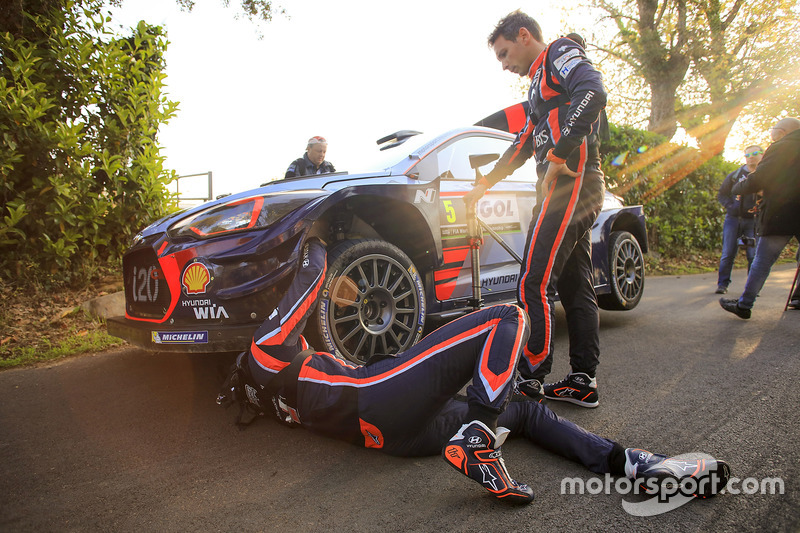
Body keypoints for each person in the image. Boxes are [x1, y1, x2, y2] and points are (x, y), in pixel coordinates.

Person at [218, 239, 730, 504]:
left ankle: (638, 468)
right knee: (507, 317)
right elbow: (308, 281)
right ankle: (480, 434)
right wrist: (315, 236)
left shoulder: (272, 394)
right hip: (373, 395)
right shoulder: (264, 352)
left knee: (525, 413)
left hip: (391, 438)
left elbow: (308, 323)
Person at [463, 11, 606, 407]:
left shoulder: (560, 52)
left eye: (505, 53)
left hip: (571, 181)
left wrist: (560, 154)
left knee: (533, 281)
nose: (505, 65)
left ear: (524, 36)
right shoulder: (537, 89)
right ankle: (582, 381)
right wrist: (486, 183)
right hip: (566, 184)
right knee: (577, 286)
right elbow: (523, 143)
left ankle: (529, 378)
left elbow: (593, 92)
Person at [720, 117, 800, 319]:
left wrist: (739, 187)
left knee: (762, 260)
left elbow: (761, 177)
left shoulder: (781, 147)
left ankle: (744, 305)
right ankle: (798, 296)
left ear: (782, 132)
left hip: (781, 213)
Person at [715, 146, 764, 294]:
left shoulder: (765, 176)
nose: (751, 157)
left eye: (755, 154)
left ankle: (752, 288)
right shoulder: (735, 176)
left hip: (752, 222)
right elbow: (722, 194)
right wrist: (730, 206)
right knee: (728, 253)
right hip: (733, 220)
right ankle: (722, 285)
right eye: (748, 154)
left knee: (752, 255)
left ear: (762, 155)